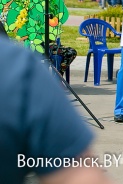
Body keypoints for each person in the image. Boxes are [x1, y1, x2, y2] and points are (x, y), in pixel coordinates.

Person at [0, 37, 113, 184]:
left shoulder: (15, 63)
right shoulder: (16, 65)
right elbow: (77, 175)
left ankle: (56, 77)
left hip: (42, 47)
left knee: (66, 52)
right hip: (31, 47)